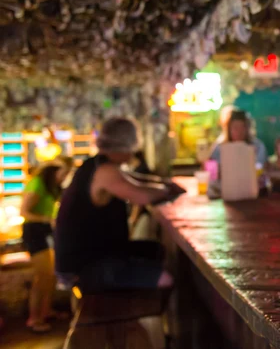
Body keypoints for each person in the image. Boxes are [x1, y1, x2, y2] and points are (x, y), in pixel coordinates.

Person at [55, 118, 184, 294]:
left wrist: (164, 184)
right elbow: (142, 195)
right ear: (127, 144)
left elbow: (136, 180)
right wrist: (167, 190)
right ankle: (138, 319)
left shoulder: (97, 165)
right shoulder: (105, 171)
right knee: (165, 278)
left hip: (97, 254)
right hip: (84, 266)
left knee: (156, 251)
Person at [21, 156, 74, 332]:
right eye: (63, 174)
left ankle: (46, 311)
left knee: (50, 275)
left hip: (45, 232)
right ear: (53, 171)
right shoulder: (37, 183)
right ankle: (34, 319)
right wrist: (48, 219)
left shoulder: (52, 187)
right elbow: (25, 212)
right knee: (42, 276)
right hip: (34, 232)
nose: (64, 178)